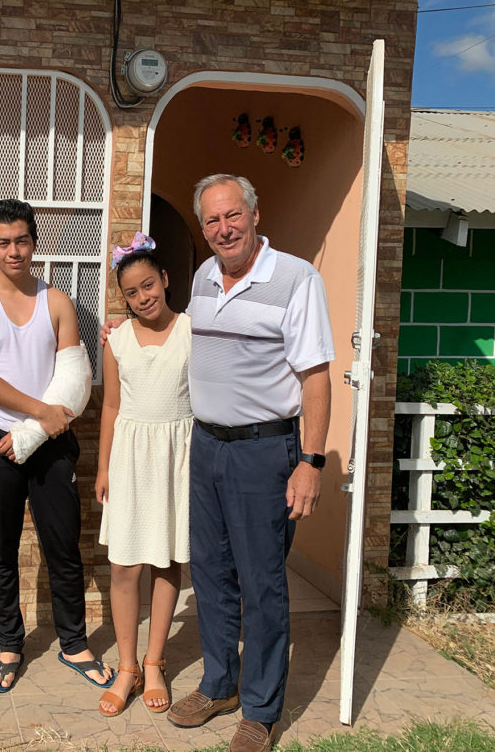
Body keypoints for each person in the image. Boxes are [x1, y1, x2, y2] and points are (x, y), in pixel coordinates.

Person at [166, 175, 333, 752]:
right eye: (211, 221)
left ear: (255, 214)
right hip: (207, 445)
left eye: (232, 216)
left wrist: (310, 460)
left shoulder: (294, 279)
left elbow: (315, 377)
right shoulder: (203, 277)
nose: (223, 229)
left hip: (265, 452)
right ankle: (219, 684)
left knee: (262, 585)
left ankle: (260, 710)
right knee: (210, 575)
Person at [0, 198, 112, 694]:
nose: (14, 250)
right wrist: (37, 412)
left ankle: (73, 642)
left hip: (52, 443)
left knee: (63, 546)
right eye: (4, 242)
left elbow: (74, 378)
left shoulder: (58, 302)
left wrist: (43, 423)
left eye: (22, 240)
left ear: (34, 243)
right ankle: (9, 644)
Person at [95, 233, 191, 718]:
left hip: (177, 456)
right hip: (130, 457)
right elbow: (111, 405)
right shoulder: (117, 339)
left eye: (148, 285)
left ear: (165, 279)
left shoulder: (194, 331)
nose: (143, 297)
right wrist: (103, 467)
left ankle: (155, 662)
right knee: (124, 566)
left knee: (167, 561)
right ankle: (127, 666)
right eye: (131, 292)